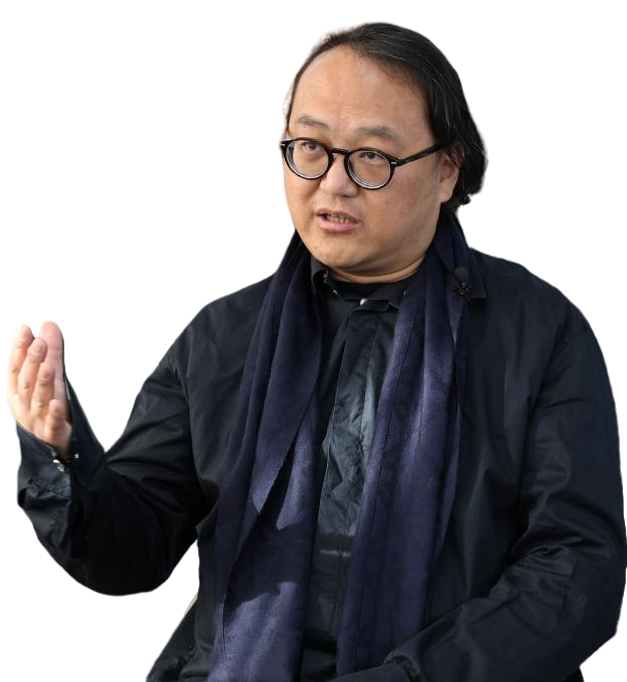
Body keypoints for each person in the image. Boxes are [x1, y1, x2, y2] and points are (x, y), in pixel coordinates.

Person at [8, 21, 626, 682]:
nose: (332, 184)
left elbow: (576, 569)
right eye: (310, 147)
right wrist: (63, 454)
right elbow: (130, 556)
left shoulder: (538, 332)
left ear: (446, 169)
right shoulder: (222, 336)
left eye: (371, 156)